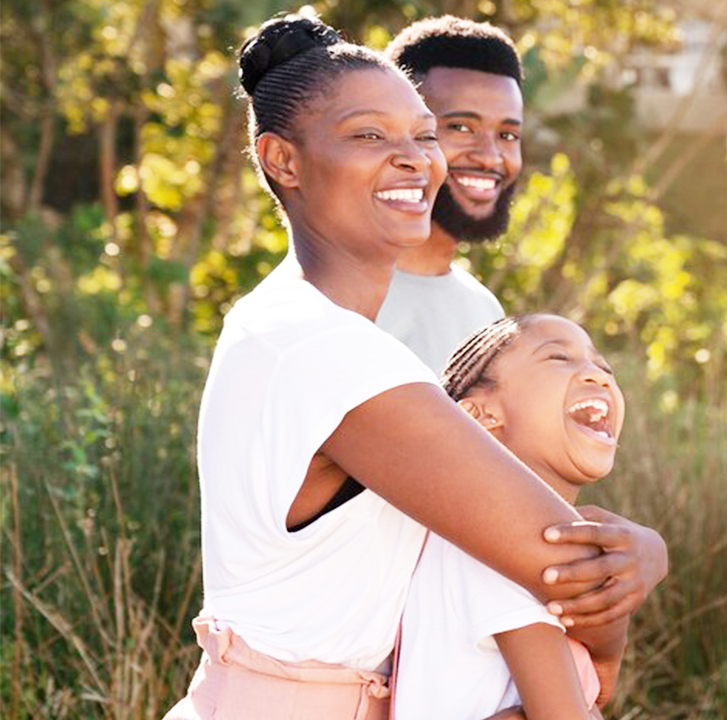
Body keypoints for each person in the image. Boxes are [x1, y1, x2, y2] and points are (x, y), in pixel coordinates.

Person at [163, 14, 664, 720]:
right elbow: (575, 568)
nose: (415, 159)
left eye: (422, 135)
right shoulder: (327, 351)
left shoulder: (279, 320)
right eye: (370, 135)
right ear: (283, 160)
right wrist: (624, 606)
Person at [395, 314, 625, 720]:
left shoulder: (499, 531)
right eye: (559, 358)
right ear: (480, 415)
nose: (598, 375)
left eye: (604, 366)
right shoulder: (495, 542)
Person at [375, 16, 522, 375]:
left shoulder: (483, 310)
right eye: (460, 127)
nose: (490, 156)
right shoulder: (342, 300)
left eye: (507, 135)